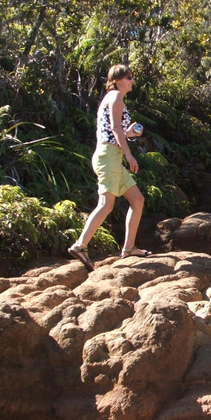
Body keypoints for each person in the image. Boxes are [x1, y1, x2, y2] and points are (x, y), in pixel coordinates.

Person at [68, 63, 149, 270]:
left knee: (137, 200)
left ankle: (129, 248)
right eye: (129, 77)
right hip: (109, 157)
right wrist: (130, 156)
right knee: (106, 204)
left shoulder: (113, 99)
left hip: (112, 156)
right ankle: (80, 245)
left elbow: (116, 130)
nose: (132, 81)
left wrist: (130, 132)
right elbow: (113, 128)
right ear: (118, 79)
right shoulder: (115, 97)